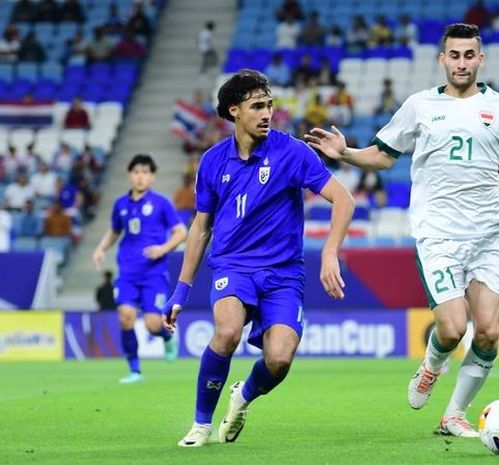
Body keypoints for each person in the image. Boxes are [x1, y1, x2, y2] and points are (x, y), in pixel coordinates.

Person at [305, 23, 499, 437]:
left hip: (488, 234)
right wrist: (344, 153)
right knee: (451, 328)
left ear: (481, 59)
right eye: (455, 55)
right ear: (443, 59)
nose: (462, 62)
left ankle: (453, 415)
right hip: (439, 234)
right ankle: (432, 365)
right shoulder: (419, 105)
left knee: (487, 331)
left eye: (470, 55)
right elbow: (381, 156)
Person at [162, 70, 354, 447]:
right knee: (227, 332)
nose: (267, 113)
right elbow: (201, 229)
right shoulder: (213, 162)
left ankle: (243, 396)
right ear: (235, 111)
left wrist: (330, 251)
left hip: (283, 274)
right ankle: (201, 424)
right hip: (233, 267)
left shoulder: (292, 152)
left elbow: (343, 199)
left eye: (269, 105)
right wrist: (180, 292)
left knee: (279, 359)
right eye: (257, 107)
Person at [92, 154, 187, 383]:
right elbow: (115, 230)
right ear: (129, 175)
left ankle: (166, 337)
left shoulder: (162, 203)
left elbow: (181, 232)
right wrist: (101, 248)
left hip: (154, 274)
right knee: (125, 317)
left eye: (145, 172)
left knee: (152, 324)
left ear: (152, 177)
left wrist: (163, 249)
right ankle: (135, 370)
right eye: (136, 172)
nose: (140, 177)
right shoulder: (120, 205)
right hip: (127, 273)